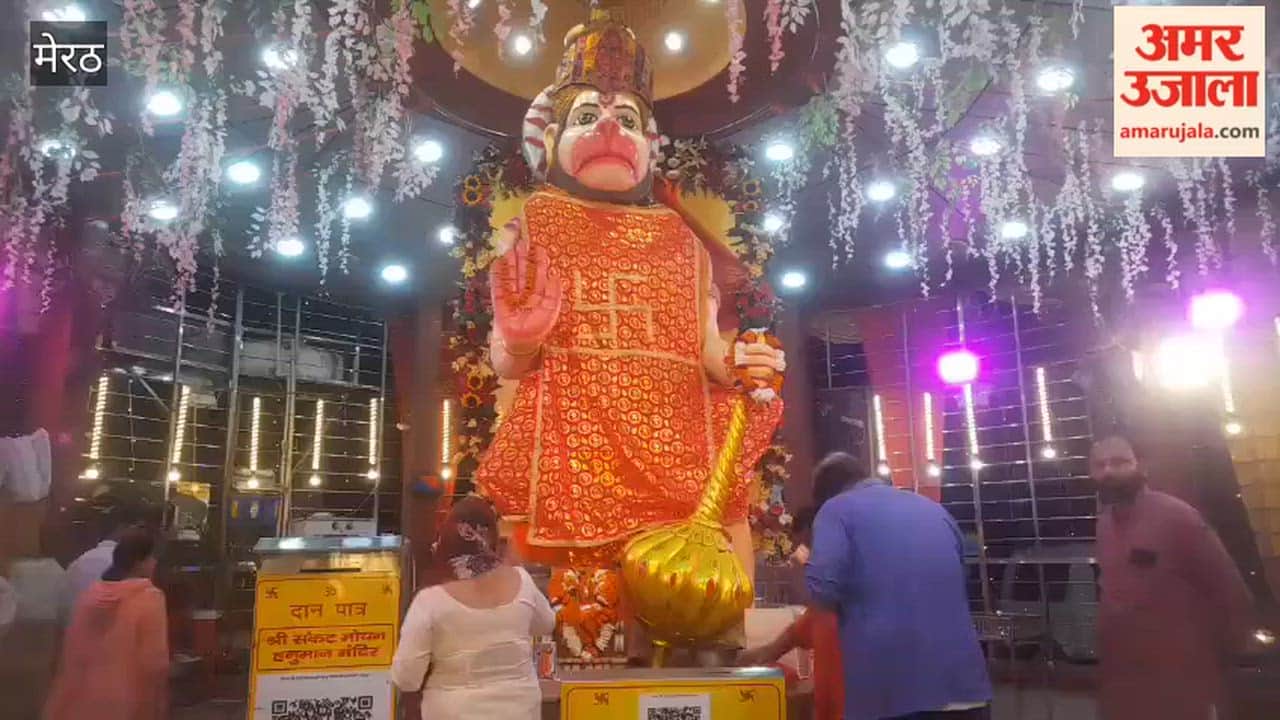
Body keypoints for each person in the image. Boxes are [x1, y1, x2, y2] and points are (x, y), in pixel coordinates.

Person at [805, 452, 991, 720]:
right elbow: (958, 581)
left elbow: (823, 596)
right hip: (966, 688)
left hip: (892, 695)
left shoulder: (835, 510)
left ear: (824, 495)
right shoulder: (934, 510)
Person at [1090, 433, 1253, 720]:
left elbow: (1230, 589)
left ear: (1141, 466)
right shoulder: (1103, 526)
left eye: (1119, 462)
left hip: (1181, 680)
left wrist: (1221, 661)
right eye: (1100, 465)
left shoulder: (1177, 517)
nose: (1108, 472)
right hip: (1123, 680)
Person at [391, 496, 556, 720]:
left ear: (446, 537)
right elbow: (546, 623)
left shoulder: (430, 600)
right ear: (493, 534)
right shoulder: (522, 580)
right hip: (519, 710)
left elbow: (407, 677)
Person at [43, 530, 169, 720]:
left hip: (79, 701)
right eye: (151, 557)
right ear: (139, 562)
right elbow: (154, 663)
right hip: (125, 703)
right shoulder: (149, 598)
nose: (154, 563)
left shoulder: (90, 595)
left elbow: (70, 649)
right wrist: (157, 707)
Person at [740, 505, 844, 720]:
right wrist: (734, 666)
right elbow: (775, 647)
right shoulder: (821, 609)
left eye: (810, 549)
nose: (807, 560)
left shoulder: (864, 604)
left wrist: (811, 688)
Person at [63, 502, 156, 616]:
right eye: (140, 528)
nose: (144, 534)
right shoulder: (129, 566)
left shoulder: (76, 563)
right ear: (123, 528)